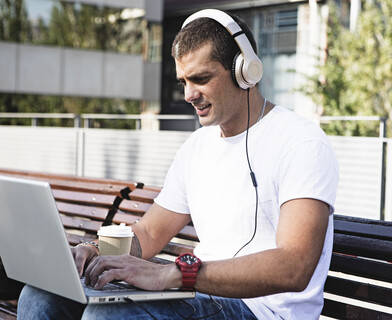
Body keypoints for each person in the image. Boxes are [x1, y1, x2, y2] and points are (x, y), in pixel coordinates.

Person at [17, 9, 339, 320]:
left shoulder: (300, 142)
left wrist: (173, 274)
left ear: (245, 71)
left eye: (200, 78)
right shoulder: (196, 148)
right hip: (198, 295)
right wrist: (95, 251)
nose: (188, 94)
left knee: (109, 315)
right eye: (183, 81)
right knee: (40, 296)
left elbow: (294, 265)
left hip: (261, 311)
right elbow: (148, 232)